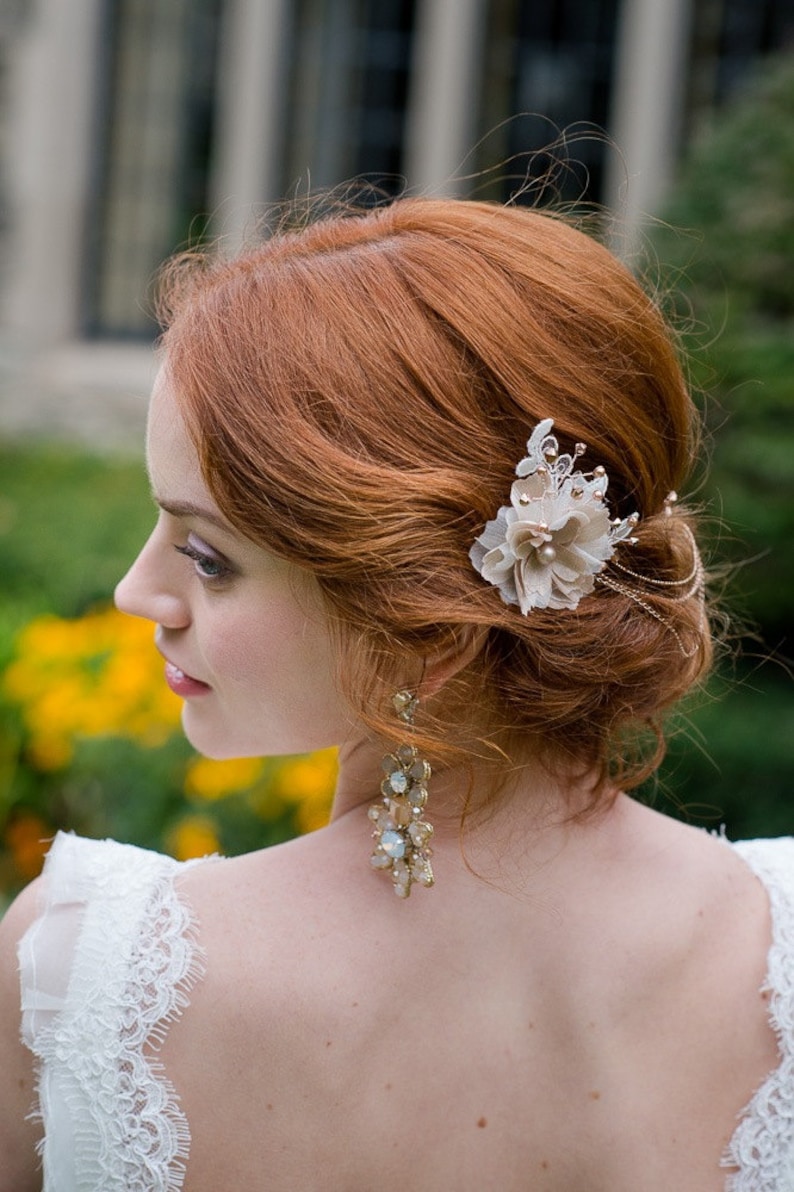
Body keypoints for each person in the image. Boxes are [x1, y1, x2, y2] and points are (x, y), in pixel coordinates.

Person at [0, 196, 791, 1191]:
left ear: (429, 616)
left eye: (206, 555)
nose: (136, 591)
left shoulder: (89, 977)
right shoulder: (776, 956)